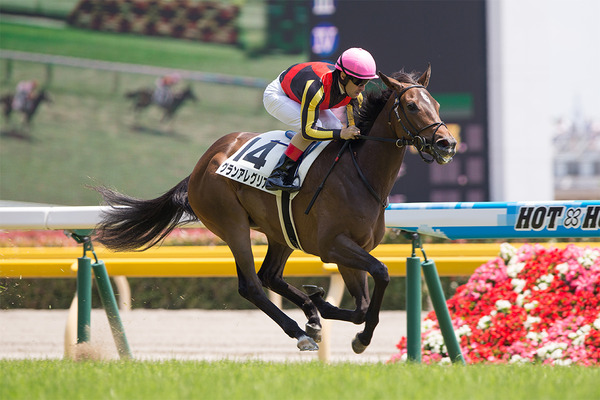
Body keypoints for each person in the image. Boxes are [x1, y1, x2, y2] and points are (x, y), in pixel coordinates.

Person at [262, 47, 378, 192]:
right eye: (359, 82)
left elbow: (353, 129)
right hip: (279, 95)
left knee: (335, 125)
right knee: (316, 127)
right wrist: (341, 134)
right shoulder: (316, 88)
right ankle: (278, 174)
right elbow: (308, 132)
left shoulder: (354, 94)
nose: (362, 88)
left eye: (365, 82)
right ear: (343, 76)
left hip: (303, 93)